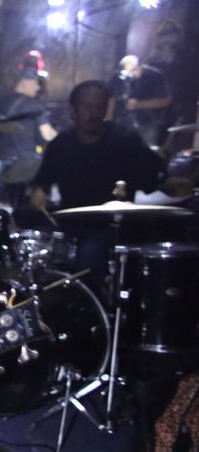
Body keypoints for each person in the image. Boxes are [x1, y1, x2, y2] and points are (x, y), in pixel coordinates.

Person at [28, 80, 178, 295]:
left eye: (100, 106)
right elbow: (42, 183)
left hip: (111, 229)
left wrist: (179, 185)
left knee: (91, 253)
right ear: (73, 111)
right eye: (88, 106)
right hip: (69, 225)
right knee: (28, 236)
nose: (94, 112)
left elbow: (158, 179)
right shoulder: (61, 144)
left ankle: (86, 305)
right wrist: (38, 193)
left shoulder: (125, 141)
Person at [0, 66, 56, 211]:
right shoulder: (33, 105)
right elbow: (47, 135)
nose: (38, 87)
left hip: (1, 161)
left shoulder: (2, 102)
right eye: (36, 82)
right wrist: (63, 137)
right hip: (25, 162)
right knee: (52, 170)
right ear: (25, 82)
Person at [106, 55, 171, 147]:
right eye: (127, 71)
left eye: (134, 70)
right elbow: (111, 99)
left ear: (140, 66)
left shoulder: (154, 76)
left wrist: (139, 104)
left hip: (146, 125)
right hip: (121, 125)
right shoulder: (117, 77)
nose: (131, 74)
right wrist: (108, 123)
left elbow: (166, 101)